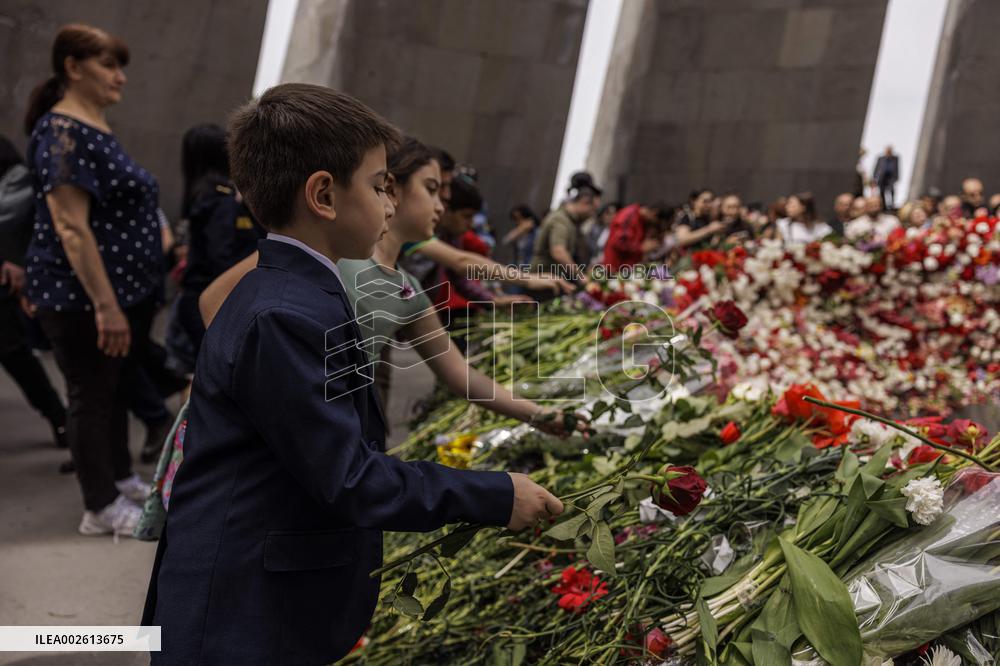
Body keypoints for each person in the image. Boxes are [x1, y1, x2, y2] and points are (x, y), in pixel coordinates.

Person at [142, 84, 563, 665]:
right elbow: (349, 477)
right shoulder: (286, 313)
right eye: (378, 185)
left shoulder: (302, 289)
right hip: (240, 617)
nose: (390, 204)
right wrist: (492, 494)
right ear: (323, 195)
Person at [198, 137, 582, 438]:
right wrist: (250, 391)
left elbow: (461, 376)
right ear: (392, 190)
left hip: (316, 440)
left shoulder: (408, 292)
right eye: (431, 190)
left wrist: (539, 414)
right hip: (249, 432)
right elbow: (214, 301)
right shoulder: (326, 251)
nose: (440, 206)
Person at [23, 24, 161, 535]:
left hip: (117, 293)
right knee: (91, 394)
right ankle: (99, 507)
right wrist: (105, 305)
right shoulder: (62, 131)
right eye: (108, 65)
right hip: (80, 295)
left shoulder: (93, 127)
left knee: (115, 388)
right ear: (73, 67)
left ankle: (120, 477)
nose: (119, 78)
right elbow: (71, 228)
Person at [172, 123, 263, 365]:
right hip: (217, 298)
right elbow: (220, 255)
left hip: (198, 296)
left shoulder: (203, 191)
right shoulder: (219, 197)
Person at [0, 135, 68, 452]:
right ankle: (58, 417)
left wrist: (12, 260)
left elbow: (11, 217)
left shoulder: (15, 176)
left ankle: (59, 416)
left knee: (14, 350)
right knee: (15, 352)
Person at [530, 173, 600, 280]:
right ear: (584, 202)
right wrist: (581, 277)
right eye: (593, 210)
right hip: (543, 282)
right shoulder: (561, 219)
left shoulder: (571, 221)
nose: (591, 215)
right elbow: (558, 252)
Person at [601, 201, 668, 272]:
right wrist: (641, 247)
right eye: (656, 223)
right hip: (615, 267)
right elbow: (618, 241)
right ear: (654, 214)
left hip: (628, 268)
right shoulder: (629, 215)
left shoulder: (643, 221)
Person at [873, 146, 899, 210]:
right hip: (882, 178)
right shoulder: (881, 158)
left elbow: (897, 168)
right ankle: (883, 205)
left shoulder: (895, 158)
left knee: (891, 191)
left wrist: (896, 177)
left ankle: (892, 205)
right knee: (882, 191)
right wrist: (874, 177)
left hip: (890, 178)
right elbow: (876, 168)